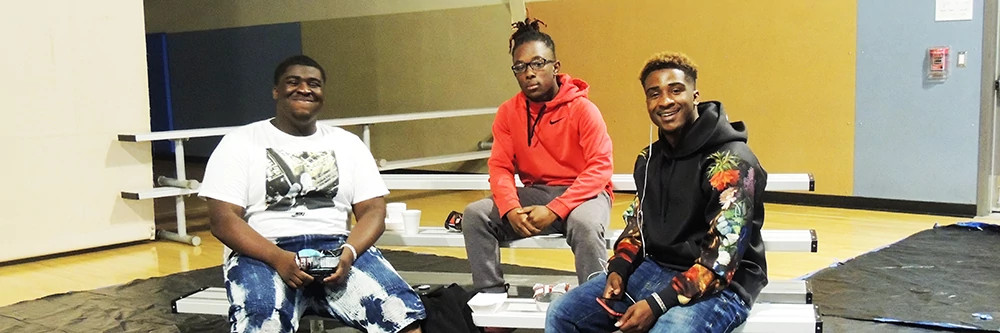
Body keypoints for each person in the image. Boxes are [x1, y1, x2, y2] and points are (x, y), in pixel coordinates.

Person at [199, 55, 425, 333]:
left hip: (337, 248)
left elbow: (373, 211)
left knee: (399, 311)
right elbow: (223, 219)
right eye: (293, 82)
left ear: (322, 94)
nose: (304, 89)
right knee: (262, 323)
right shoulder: (240, 142)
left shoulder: (347, 144)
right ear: (276, 91)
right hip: (265, 251)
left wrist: (348, 253)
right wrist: (279, 258)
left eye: (314, 84)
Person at [546, 52, 768, 333]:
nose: (665, 101)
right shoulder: (649, 159)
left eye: (675, 90)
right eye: (654, 94)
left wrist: (657, 303)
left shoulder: (732, 161)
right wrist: (619, 268)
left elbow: (721, 260)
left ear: (695, 95)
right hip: (656, 268)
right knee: (563, 314)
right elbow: (636, 225)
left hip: (724, 281)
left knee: (668, 330)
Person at [462, 17, 614, 294]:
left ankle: (594, 305)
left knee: (585, 224)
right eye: (520, 67)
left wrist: (555, 209)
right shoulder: (508, 113)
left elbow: (600, 168)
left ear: (555, 67)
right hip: (538, 193)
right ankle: (491, 296)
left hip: (586, 194)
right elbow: (499, 167)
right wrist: (509, 208)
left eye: (537, 63)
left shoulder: (583, 110)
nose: (529, 73)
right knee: (475, 215)